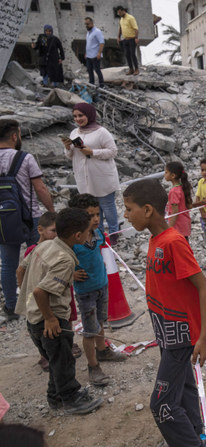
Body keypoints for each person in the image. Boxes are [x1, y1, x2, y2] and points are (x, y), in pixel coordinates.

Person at [122, 179, 206, 447]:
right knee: (183, 390)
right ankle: (197, 434)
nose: (126, 216)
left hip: (179, 337)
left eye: (129, 209)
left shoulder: (173, 242)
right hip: (165, 332)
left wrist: (203, 338)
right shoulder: (156, 239)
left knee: (161, 406)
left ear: (148, 210)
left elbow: (204, 289)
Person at [16, 208, 104, 415]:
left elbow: (21, 270)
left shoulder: (44, 245)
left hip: (33, 319)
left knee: (56, 360)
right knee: (64, 360)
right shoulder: (65, 259)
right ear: (78, 235)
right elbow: (40, 291)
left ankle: (54, 397)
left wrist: (27, 301)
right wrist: (50, 318)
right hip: (51, 320)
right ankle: (71, 398)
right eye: (86, 230)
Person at [69, 193, 127, 387]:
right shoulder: (73, 242)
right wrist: (71, 274)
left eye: (97, 214)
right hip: (85, 291)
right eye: (90, 215)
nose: (95, 219)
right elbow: (61, 261)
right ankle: (93, 366)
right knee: (89, 330)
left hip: (102, 286)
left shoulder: (98, 234)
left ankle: (102, 351)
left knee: (101, 321)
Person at [0, 119, 55, 321]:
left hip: (3, 221)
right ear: (15, 136)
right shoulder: (24, 158)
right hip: (30, 217)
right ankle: (41, 302)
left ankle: (12, 306)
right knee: (39, 258)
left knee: (8, 263)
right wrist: (51, 211)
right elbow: (40, 188)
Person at [16, 211, 82, 372]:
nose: (56, 235)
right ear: (40, 229)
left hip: (56, 297)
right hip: (46, 306)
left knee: (64, 330)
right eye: (53, 231)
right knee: (59, 357)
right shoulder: (40, 249)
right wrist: (46, 314)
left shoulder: (56, 249)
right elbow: (35, 285)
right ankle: (66, 391)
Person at [63, 103, 121, 244]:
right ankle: (98, 234)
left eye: (81, 115)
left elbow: (113, 151)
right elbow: (70, 156)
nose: (78, 119)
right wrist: (67, 148)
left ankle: (114, 232)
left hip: (102, 177)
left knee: (107, 206)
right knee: (92, 208)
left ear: (89, 115)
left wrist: (92, 152)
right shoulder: (75, 133)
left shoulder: (101, 132)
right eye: (75, 116)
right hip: (84, 177)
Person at [164, 161, 193, 242]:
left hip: (178, 226)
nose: (164, 174)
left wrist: (169, 229)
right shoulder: (182, 188)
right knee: (185, 247)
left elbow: (175, 212)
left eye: (166, 172)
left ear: (173, 175)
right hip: (184, 224)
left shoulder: (174, 191)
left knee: (180, 249)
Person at [116, 6, 140, 75]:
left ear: (123, 11)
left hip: (132, 39)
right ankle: (131, 69)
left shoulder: (130, 18)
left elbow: (136, 28)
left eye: (120, 12)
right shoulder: (121, 19)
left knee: (132, 54)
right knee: (127, 55)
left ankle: (137, 69)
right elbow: (120, 28)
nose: (119, 14)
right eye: (118, 13)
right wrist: (118, 37)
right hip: (125, 39)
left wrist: (136, 38)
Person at [84, 17, 105, 87]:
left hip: (95, 55)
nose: (87, 26)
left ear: (92, 23)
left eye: (88, 24)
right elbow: (88, 43)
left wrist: (99, 53)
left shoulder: (97, 31)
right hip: (89, 55)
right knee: (89, 70)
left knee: (97, 70)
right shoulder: (88, 33)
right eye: (85, 24)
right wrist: (86, 53)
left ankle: (102, 84)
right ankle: (91, 83)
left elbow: (102, 43)